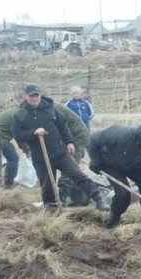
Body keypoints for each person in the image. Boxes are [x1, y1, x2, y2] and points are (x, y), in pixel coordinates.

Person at [11, 83, 110, 211]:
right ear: (25, 96)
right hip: (40, 156)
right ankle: (51, 207)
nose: (34, 99)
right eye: (31, 96)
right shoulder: (19, 115)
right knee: (47, 185)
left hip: (60, 152)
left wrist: (69, 142)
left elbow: (63, 125)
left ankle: (98, 199)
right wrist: (33, 133)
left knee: (78, 175)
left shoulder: (50, 108)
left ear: (40, 96)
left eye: (37, 96)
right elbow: (18, 135)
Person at [89, 124, 141, 229]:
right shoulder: (120, 134)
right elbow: (94, 139)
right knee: (123, 194)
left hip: (139, 168)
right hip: (113, 165)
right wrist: (96, 160)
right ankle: (112, 223)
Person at [0, 109, 22, 188]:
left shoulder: (12, 112)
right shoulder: (18, 115)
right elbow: (17, 133)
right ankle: (8, 184)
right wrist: (25, 149)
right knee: (13, 159)